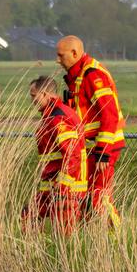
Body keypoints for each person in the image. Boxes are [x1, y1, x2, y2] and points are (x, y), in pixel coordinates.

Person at [56, 35, 126, 230]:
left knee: (99, 197)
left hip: (102, 149)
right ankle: (95, 242)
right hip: (91, 149)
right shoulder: (78, 76)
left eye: (61, 56)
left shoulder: (93, 75)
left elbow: (109, 115)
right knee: (87, 198)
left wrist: (103, 151)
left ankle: (117, 238)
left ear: (74, 53)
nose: (57, 60)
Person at [21, 76, 86, 234]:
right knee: (28, 216)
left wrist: (63, 185)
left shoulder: (58, 118)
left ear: (45, 94)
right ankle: (36, 253)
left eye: (33, 95)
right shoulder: (51, 115)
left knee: (64, 234)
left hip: (65, 189)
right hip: (51, 185)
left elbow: (73, 155)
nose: (32, 100)